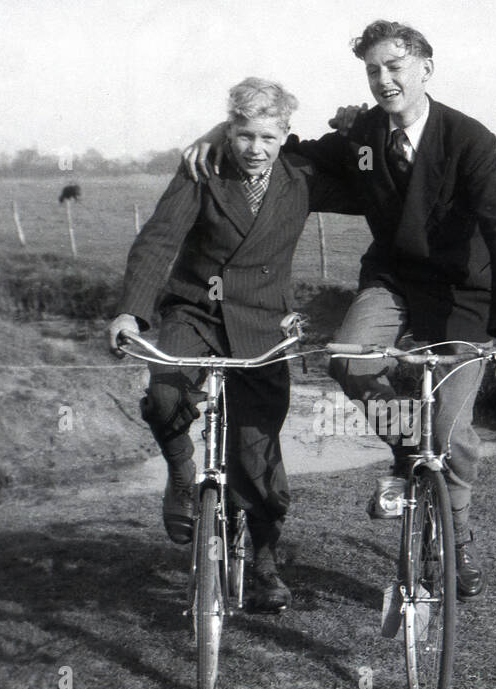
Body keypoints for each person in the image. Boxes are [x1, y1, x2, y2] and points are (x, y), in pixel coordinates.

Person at [185, 20, 496, 602]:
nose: (383, 80)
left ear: (426, 67)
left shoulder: (469, 139)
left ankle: (456, 541)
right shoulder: (366, 132)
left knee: (450, 429)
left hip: (461, 295)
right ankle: (404, 445)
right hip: (392, 281)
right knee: (348, 359)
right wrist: (219, 133)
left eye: (394, 66)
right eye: (373, 70)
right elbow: (287, 150)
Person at [108, 77, 362, 612]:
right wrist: (132, 311)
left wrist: (356, 128)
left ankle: (265, 562)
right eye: (245, 135)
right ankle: (181, 471)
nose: (256, 149)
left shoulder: (301, 178)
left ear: (285, 135)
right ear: (230, 130)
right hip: (194, 311)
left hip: (264, 326)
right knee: (166, 397)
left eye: (269, 138)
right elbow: (159, 238)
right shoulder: (203, 170)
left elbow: (371, 176)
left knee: (258, 457)